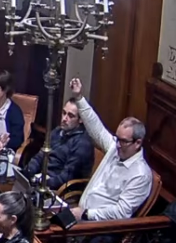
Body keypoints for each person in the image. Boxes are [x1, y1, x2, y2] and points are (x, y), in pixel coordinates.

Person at [66, 78, 154, 222]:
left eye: (123, 141)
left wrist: (86, 214)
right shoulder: (116, 148)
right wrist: (79, 97)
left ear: (138, 143)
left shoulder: (140, 175)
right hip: (81, 215)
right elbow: (97, 129)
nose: (117, 144)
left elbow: (121, 213)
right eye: (117, 138)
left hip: (98, 226)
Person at [22, 97, 94, 191]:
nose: (64, 119)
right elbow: (40, 156)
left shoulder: (82, 144)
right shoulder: (57, 131)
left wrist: (42, 182)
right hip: (42, 180)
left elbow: (67, 177)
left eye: (70, 116)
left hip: (61, 190)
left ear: (81, 120)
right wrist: (28, 172)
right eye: (64, 113)